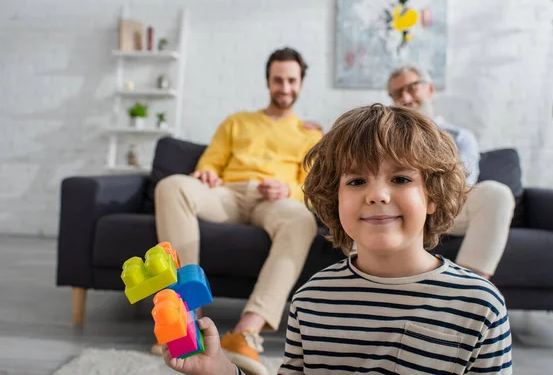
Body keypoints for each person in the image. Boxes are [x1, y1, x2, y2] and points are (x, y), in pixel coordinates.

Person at [160, 104, 513, 375]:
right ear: (334, 198)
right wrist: (222, 369)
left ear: (432, 195)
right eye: (356, 181)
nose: (377, 195)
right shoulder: (311, 301)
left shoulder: (480, 306)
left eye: (401, 179)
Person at [153, 47, 323, 375]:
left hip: (276, 200)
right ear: (267, 82)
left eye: (292, 80)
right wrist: (207, 173)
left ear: (301, 83)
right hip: (228, 194)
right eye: (278, 80)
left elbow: (312, 188)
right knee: (171, 186)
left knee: (302, 219)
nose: (285, 87)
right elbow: (210, 163)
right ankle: (185, 319)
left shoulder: (310, 134)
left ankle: (245, 333)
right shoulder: (237, 121)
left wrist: (288, 189)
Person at [387, 64, 515, 280]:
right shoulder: (385, 139)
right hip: (398, 205)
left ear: (429, 89)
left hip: (448, 207)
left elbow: (462, 183)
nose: (406, 97)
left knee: (496, 193)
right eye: (398, 93)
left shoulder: (459, 136)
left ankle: (467, 292)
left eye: (412, 87)